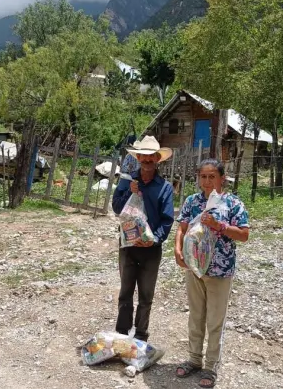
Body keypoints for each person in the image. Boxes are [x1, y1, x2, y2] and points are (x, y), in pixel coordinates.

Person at [174, 159, 250, 388]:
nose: (207, 181)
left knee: (215, 320)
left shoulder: (233, 204)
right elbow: (183, 227)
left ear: (221, 178)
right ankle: (194, 360)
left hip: (220, 270)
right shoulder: (192, 201)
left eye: (211, 177)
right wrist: (177, 249)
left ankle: (210, 366)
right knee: (195, 316)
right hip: (194, 268)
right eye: (203, 177)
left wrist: (220, 226)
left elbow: (244, 235)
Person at [112, 136, 175, 342]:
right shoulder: (127, 180)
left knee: (146, 295)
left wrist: (154, 240)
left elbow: (167, 220)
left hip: (151, 249)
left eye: (152, 157)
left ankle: (140, 336)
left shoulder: (165, 187)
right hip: (128, 246)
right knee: (125, 293)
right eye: (144, 156)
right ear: (138, 157)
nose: (147, 160)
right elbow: (117, 209)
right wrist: (128, 195)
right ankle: (122, 334)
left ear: (158, 159)